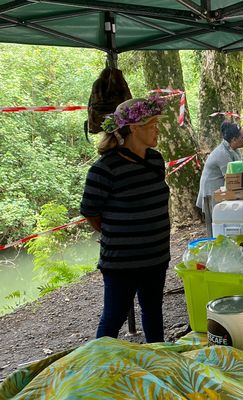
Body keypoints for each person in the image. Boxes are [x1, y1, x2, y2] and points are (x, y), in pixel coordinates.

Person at [80, 95, 170, 343]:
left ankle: (160, 362)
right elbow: (90, 211)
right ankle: (97, 366)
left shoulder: (155, 160)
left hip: (156, 256)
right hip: (122, 263)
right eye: (152, 125)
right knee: (113, 318)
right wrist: (119, 232)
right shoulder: (103, 170)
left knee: (153, 312)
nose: (157, 130)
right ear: (133, 129)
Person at [196, 122, 243, 213]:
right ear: (234, 140)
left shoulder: (234, 150)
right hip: (211, 192)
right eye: (242, 138)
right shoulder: (222, 153)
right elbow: (231, 177)